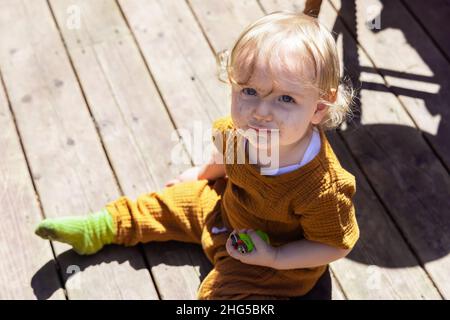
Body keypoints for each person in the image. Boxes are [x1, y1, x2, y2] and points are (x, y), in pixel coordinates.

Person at [35, 11, 359, 300]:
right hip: (224, 209)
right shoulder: (239, 131)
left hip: (272, 257)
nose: (261, 111)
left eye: (285, 99)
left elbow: (334, 245)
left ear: (319, 107)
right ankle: (99, 228)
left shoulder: (323, 189)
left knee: (220, 295)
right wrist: (202, 174)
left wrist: (274, 257)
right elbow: (226, 158)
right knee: (163, 204)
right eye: (249, 91)